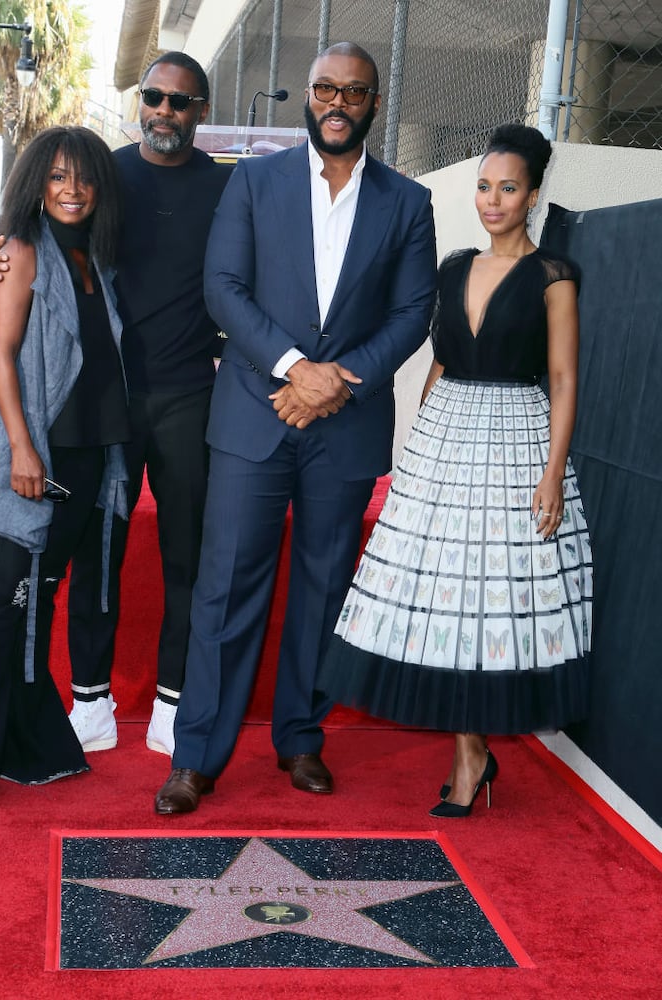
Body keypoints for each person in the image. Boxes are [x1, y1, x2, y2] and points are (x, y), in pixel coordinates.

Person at [154, 42, 438, 815]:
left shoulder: (407, 202)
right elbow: (224, 288)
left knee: (322, 587)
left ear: (374, 101)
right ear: (306, 99)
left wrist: (335, 380)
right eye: (323, 89)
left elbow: (414, 312)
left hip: (342, 425)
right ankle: (197, 755)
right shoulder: (253, 180)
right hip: (255, 416)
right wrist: (292, 369)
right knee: (225, 588)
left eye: (353, 90)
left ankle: (301, 739)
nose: (336, 102)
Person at [318, 123, 593, 817]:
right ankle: (470, 751)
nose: (491, 200)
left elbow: (563, 378)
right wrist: (417, 449)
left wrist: (552, 473)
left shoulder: (553, 276)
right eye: (482, 186)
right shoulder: (453, 268)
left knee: (492, 598)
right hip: (447, 441)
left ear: (531, 195)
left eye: (506, 188)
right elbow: (440, 360)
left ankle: (471, 756)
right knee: (444, 601)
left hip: (516, 441)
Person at [0, 53, 232, 758]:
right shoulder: (103, 172)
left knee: (188, 555)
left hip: (187, 395)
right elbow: (37, 224)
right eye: (153, 96)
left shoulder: (229, 188)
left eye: (180, 102)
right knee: (97, 558)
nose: (164, 111)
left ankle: (173, 704)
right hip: (102, 400)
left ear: (201, 111)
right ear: (139, 102)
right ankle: (90, 699)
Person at [0, 126, 129, 812]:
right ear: (37, 183)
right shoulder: (17, 251)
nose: (72, 191)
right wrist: (20, 448)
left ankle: (27, 745)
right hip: (29, 454)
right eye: (58, 177)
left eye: (84, 178)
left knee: (36, 596)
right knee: (2, 595)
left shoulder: (97, 262)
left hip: (86, 457)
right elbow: (1, 356)